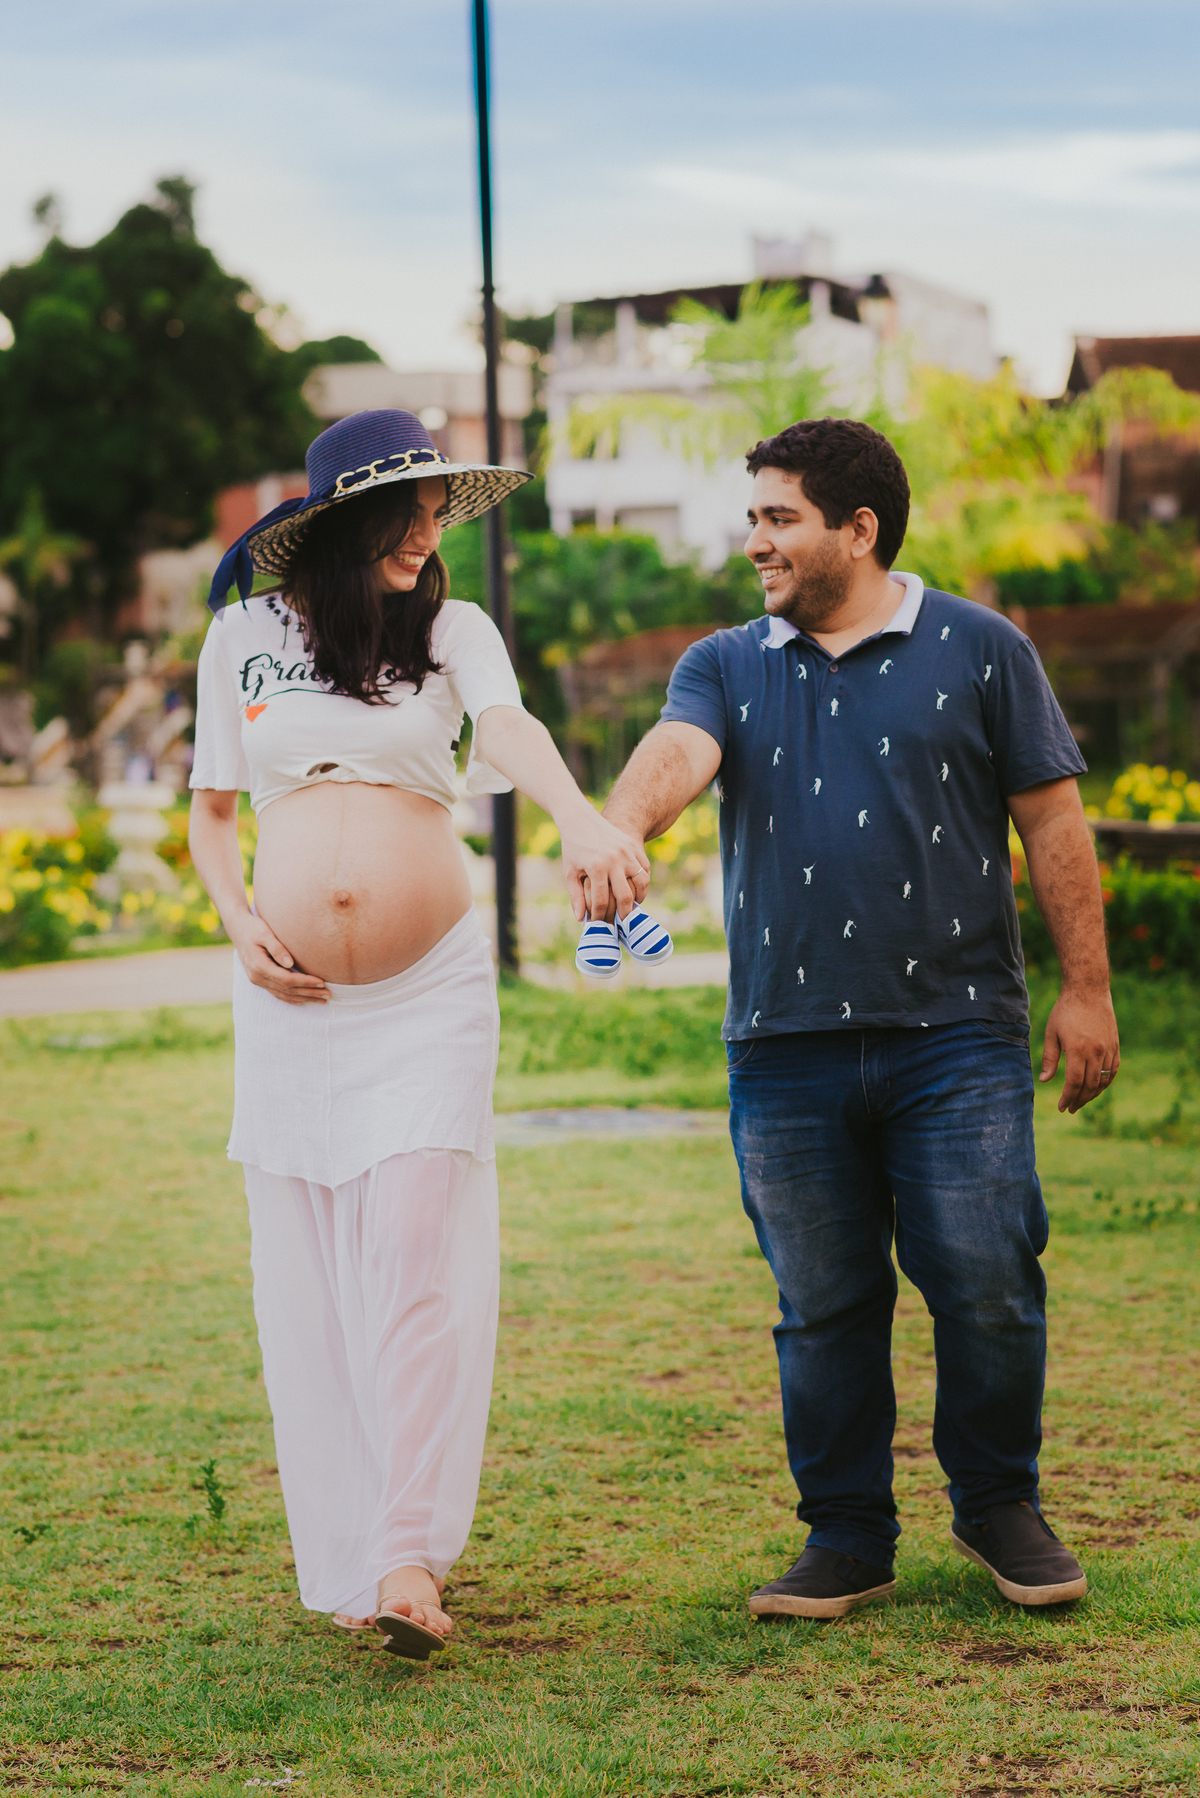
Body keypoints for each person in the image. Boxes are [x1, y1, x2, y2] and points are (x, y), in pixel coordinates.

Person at [601, 416, 1118, 1620]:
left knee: (988, 1280)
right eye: (753, 518)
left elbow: (1053, 820)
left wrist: (1087, 988)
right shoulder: (726, 661)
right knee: (823, 1303)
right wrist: (620, 825)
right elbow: (678, 750)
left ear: (859, 528)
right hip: (783, 1044)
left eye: (778, 518)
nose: (755, 542)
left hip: (958, 1035)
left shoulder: (984, 647)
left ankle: (998, 1504)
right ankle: (846, 1535)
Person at [189, 409, 648, 1659]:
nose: (427, 533)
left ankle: (406, 1555)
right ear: (344, 519)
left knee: (409, 1251)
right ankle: (350, 1541)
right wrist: (238, 924)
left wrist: (579, 819)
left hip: (427, 993)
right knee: (306, 1271)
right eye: (408, 511)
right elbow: (214, 812)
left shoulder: (454, 629)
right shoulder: (243, 637)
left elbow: (506, 729)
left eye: (439, 511)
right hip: (289, 1001)